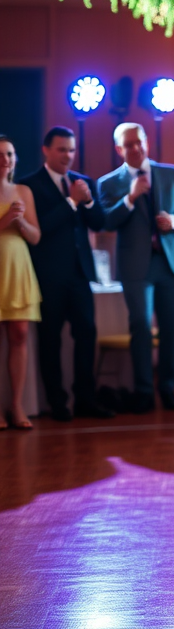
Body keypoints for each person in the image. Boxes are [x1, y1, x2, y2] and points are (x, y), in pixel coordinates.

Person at [97, 123, 174, 414]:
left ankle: (167, 388)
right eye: (128, 145)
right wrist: (129, 198)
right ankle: (143, 391)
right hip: (135, 265)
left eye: (138, 142)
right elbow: (106, 222)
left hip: (170, 261)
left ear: (146, 143)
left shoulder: (170, 172)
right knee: (140, 325)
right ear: (119, 149)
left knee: (171, 329)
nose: (135, 148)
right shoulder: (109, 183)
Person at [20, 127, 113, 421]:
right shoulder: (29, 185)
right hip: (48, 274)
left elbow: (99, 223)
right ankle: (57, 403)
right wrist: (70, 202)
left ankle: (85, 399)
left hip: (80, 273)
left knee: (87, 332)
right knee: (50, 339)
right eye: (62, 150)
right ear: (46, 150)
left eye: (71, 150)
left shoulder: (83, 182)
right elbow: (41, 230)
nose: (68, 156)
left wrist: (86, 201)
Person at [0, 136, 41, 429]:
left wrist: (21, 223)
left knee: (19, 334)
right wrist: (4, 222)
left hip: (18, 266)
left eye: (10, 154)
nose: (6, 160)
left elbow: (36, 236)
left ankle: (17, 405)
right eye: (1, 155)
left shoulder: (23, 191)